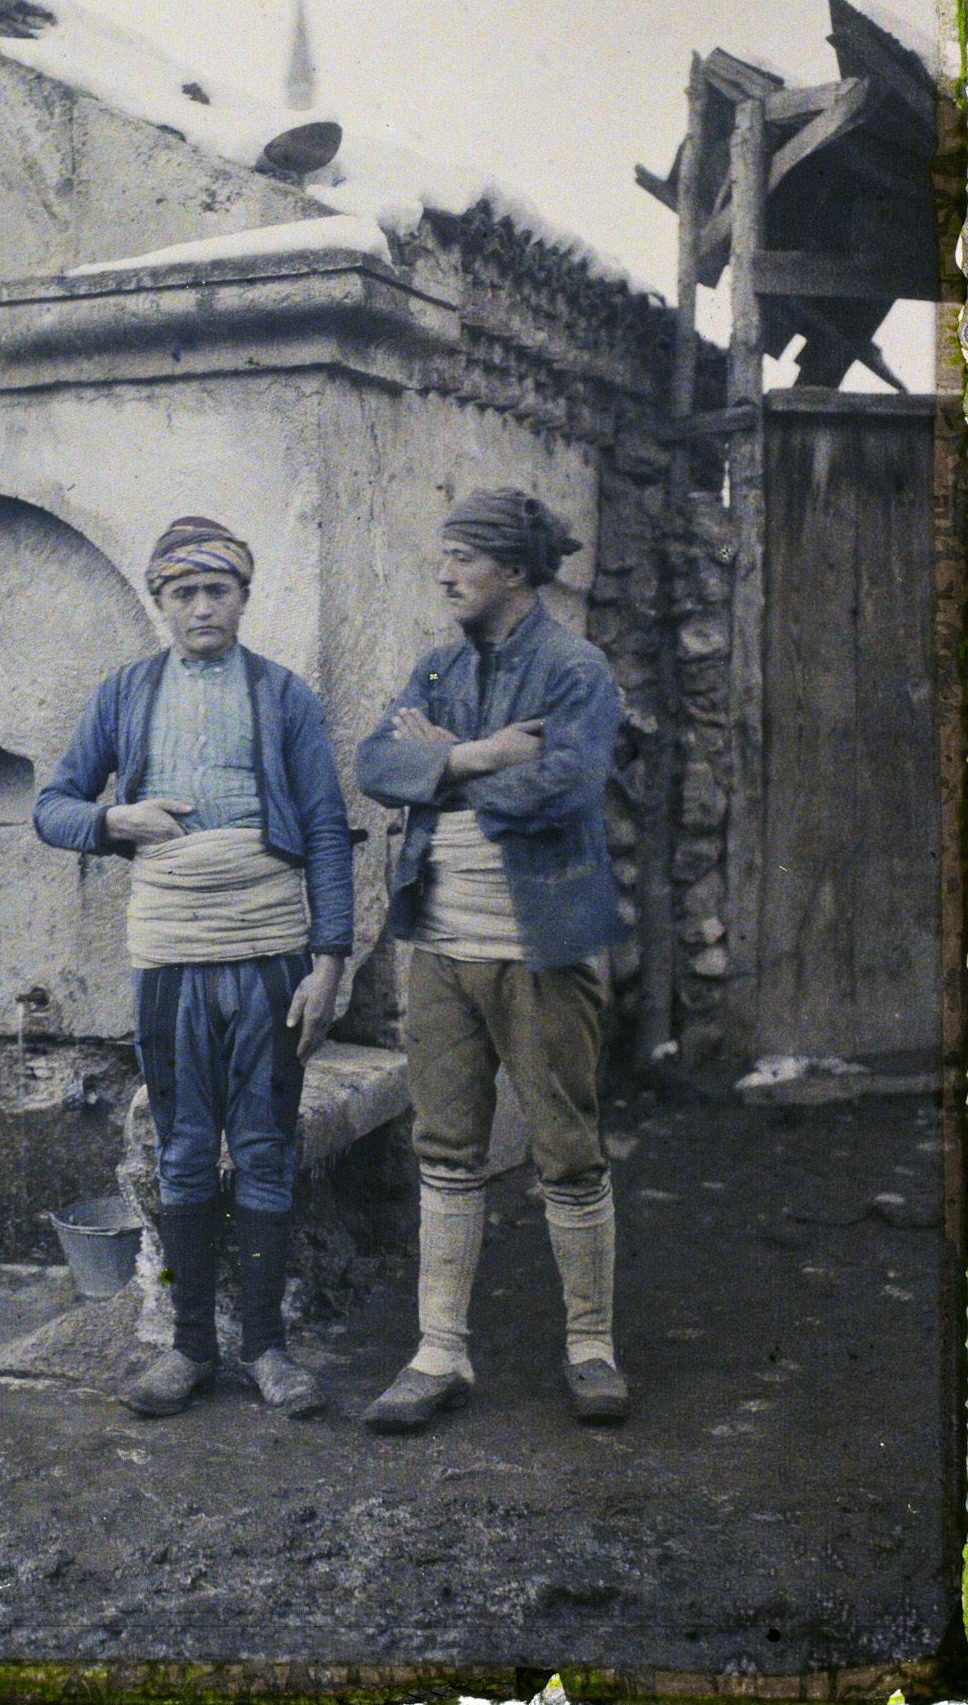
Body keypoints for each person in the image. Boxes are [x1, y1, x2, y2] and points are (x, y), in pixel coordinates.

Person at [33, 514, 353, 1419]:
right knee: (179, 1150)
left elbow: (326, 829)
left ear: (244, 600)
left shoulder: (282, 696)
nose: (202, 607)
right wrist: (112, 822)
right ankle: (186, 1352)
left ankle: (267, 1350)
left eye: (219, 590)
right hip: (170, 947)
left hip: (266, 947)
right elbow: (51, 806)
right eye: (184, 592)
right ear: (160, 603)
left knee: (262, 1144)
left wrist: (329, 961)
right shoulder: (125, 695)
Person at [354, 486, 628, 1430]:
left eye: (461, 558)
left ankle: (590, 1347)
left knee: (565, 1148)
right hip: (436, 939)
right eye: (443, 557)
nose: (443, 573)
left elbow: (568, 785)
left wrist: (441, 767)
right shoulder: (436, 670)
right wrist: (477, 756)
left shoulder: (575, 669)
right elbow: (374, 765)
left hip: (541, 943)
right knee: (445, 1146)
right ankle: (439, 1355)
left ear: (514, 571)